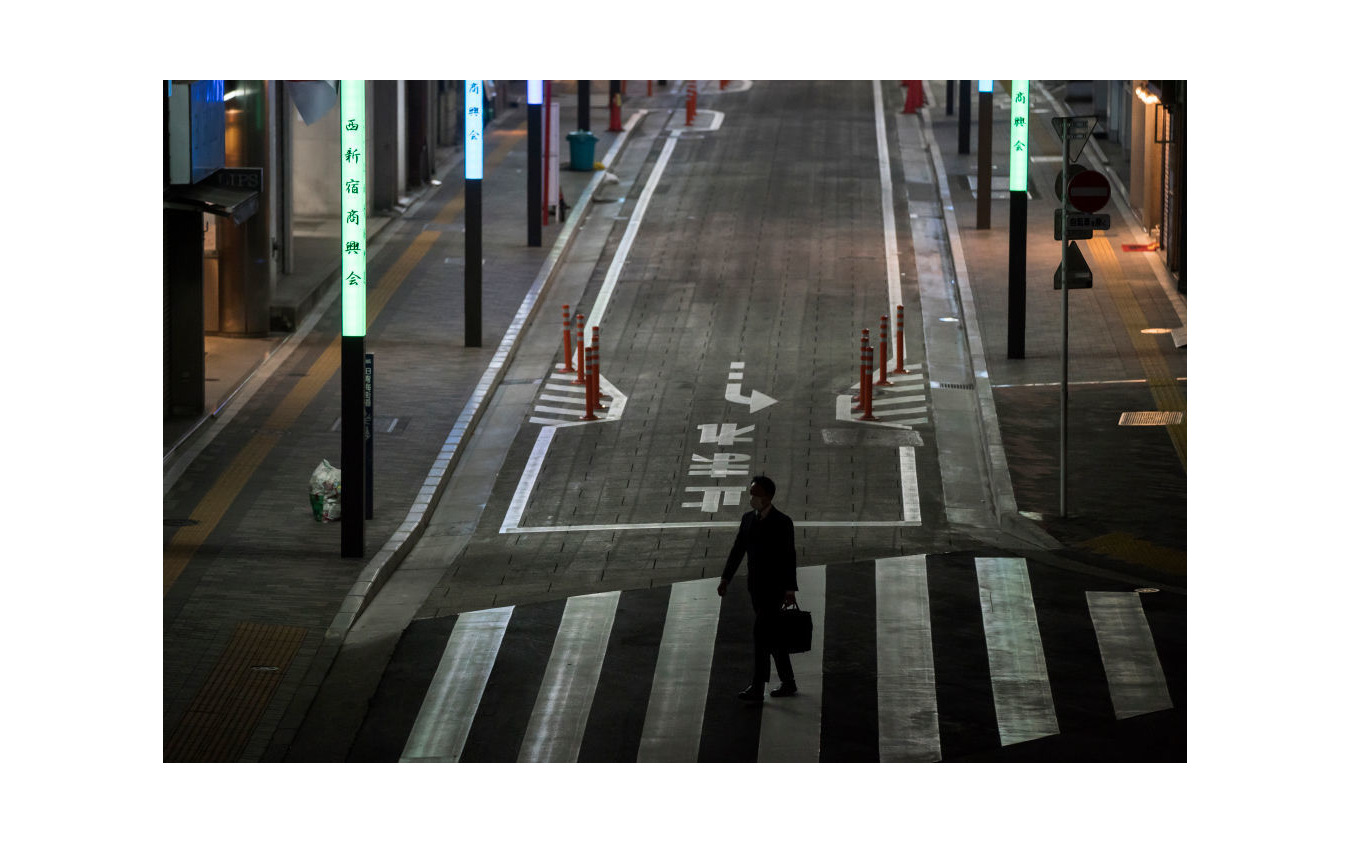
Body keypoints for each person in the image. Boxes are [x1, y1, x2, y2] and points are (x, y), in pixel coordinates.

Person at [717, 475, 798, 703]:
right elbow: (737, 551)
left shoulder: (783, 523)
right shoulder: (747, 520)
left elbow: (789, 557)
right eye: (751, 493)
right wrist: (726, 578)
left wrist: (790, 589)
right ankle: (788, 681)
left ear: (768, 496)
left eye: (756, 493)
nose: (752, 498)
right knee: (772, 636)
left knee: (761, 636)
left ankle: (758, 686)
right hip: (755, 588)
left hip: (775, 590)